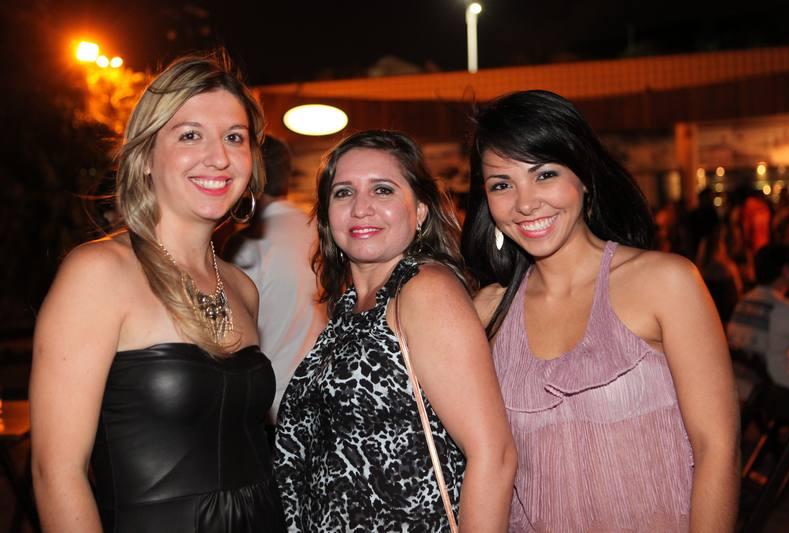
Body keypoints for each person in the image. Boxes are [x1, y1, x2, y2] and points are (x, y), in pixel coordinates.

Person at [461, 90, 740, 532]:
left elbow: (717, 448)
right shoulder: (488, 313)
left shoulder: (665, 283)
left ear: (585, 177)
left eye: (545, 174)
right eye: (501, 184)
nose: (525, 202)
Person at [30, 52, 285, 532]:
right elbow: (55, 473)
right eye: (190, 135)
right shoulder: (98, 274)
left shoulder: (241, 286)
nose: (219, 157)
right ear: (145, 157)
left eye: (235, 137)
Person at [275, 130, 516, 531]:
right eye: (343, 193)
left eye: (383, 190)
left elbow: (494, 454)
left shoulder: (424, 290)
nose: (361, 208)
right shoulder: (351, 305)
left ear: (419, 211)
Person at [224, 135, 326, 424]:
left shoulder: (244, 245)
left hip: (268, 404)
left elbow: (228, 336)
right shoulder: (323, 232)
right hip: (321, 397)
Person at [727, 244, 789, 390]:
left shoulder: (743, 302)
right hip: (777, 393)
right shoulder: (785, 309)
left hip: (742, 387)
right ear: (786, 270)